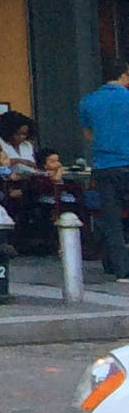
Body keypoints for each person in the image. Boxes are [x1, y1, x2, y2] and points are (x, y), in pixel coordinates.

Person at [85, 59, 129, 281]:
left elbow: (89, 135)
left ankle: (121, 271)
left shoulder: (88, 101)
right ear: (124, 75)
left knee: (112, 220)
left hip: (103, 166)